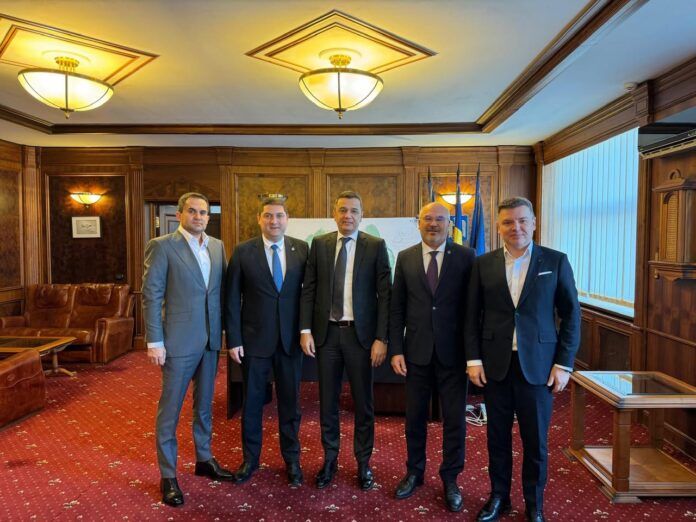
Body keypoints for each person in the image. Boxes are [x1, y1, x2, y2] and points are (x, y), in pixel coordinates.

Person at [465, 197, 580, 522]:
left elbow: (571, 315)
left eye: (522, 220)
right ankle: (498, 497)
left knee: (536, 441)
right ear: (498, 226)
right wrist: (473, 359)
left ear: (534, 223)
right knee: (496, 438)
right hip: (495, 366)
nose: (515, 227)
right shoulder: (483, 264)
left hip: (539, 367)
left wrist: (564, 364)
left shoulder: (555, 261)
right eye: (508, 222)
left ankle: (534, 504)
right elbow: (471, 317)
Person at [142, 192, 233, 507]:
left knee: (204, 405)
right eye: (192, 211)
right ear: (180, 214)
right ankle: (168, 475)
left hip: (210, 341)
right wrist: (155, 341)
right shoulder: (162, 246)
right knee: (170, 410)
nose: (198, 216)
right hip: (177, 342)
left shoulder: (217, 246)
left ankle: (204, 459)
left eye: (203, 212)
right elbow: (151, 295)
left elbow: (220, 293)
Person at [300, 190, 391, 491]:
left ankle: (363, 462)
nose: (347, 215)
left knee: (363, 403)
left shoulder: (375, 246)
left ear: (361, 215)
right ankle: (330, 459)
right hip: (326, 335)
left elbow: (385, 295)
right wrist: (305, 330)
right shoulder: (320, 244)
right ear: (334, 214)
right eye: (342, 210)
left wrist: (381, 338)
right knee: (328, 402)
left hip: (360, 337)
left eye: (353, 210)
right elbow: (309, 289)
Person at [389, 202, 475, 512]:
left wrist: (473, 356)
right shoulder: (406, 257)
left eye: (440, 219)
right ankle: (414, 472)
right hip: (416, 352)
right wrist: (396, 349)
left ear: (450, 224)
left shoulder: (466, 256)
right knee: (414, 419)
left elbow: (472, 309)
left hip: (454, 355)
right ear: (419, 223)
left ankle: (451, 478)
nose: (433, 224)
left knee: (454, 421)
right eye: (428, 218)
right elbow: (397, 307)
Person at [225, 197, 308, 486]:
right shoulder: (243, 251)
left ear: (287, 219)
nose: (274, 221)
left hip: (290, 342)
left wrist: (306, 330)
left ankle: (292, 460)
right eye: (268, 216)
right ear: (259, 219)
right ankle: (250, 459)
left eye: (279, 216)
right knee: (252, 403)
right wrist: (234, 339)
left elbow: (307, 295)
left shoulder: (302, 249)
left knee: (291, 404)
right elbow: (231, 298)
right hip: (254, 342)